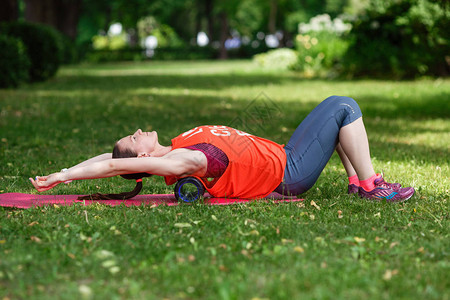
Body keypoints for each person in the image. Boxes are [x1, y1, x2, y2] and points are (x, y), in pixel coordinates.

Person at [30, 96, 415, 202]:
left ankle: (357, 183)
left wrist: (65, 168)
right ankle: (369, 186)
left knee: (337, 112)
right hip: (288, 172)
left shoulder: (178, 144)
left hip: (282, 154)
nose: (136, 131)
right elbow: (114, 167)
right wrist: (65, 178)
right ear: (145, 159)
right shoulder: (183, 161)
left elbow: (110, 160)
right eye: (133, 139)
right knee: (343, 106)